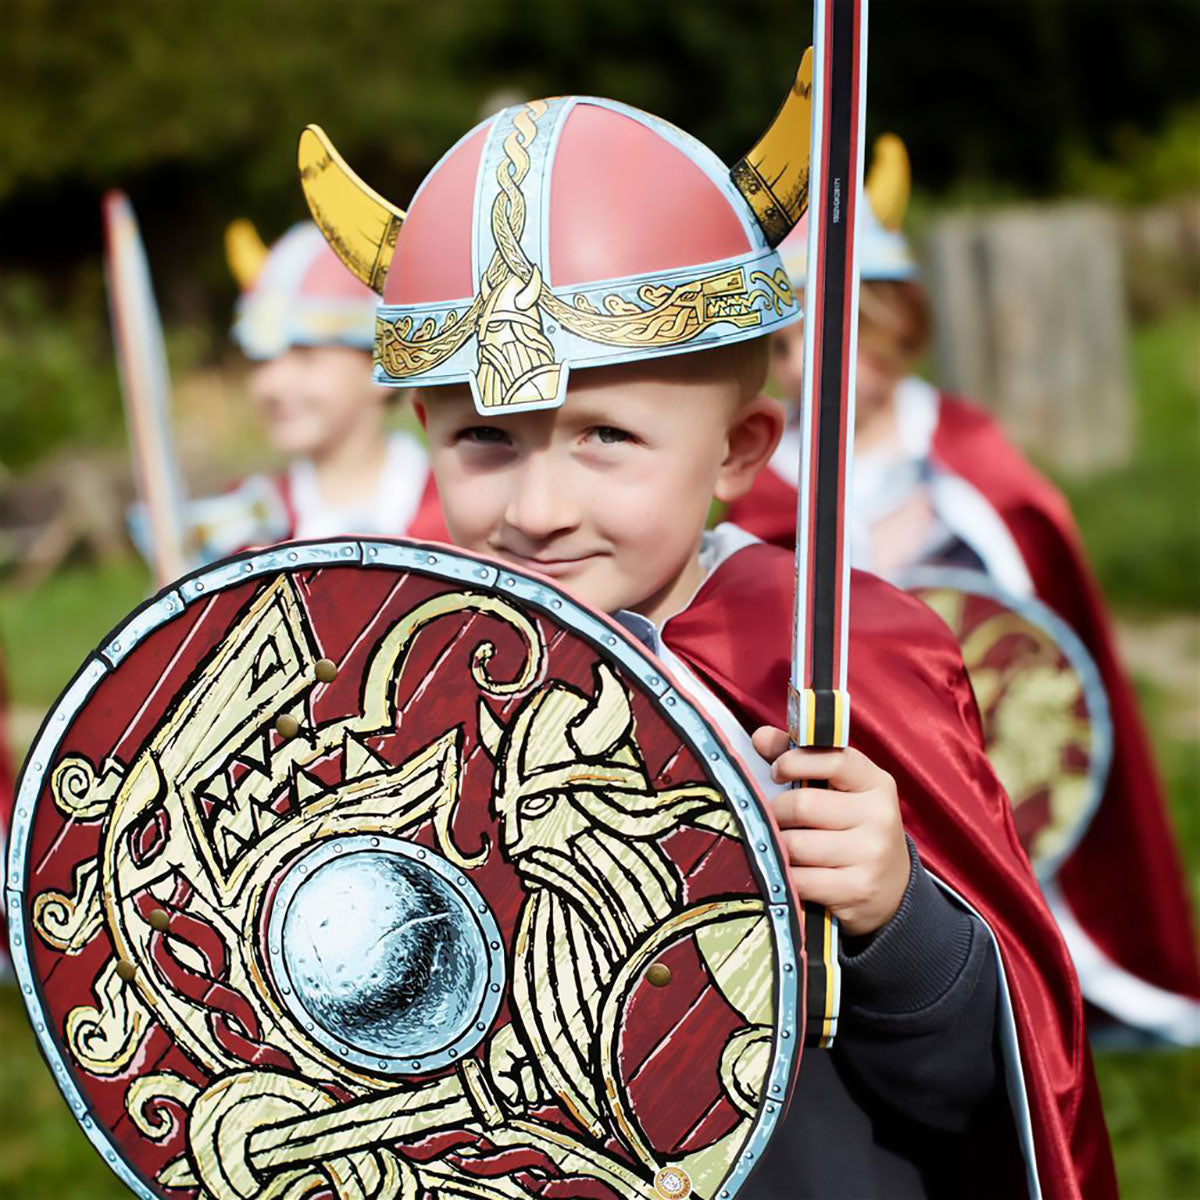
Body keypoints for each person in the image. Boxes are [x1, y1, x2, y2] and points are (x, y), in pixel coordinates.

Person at [301, 86, 1114, 1197]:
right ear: (423, 435)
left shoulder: (838, 661)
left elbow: (981, 1093)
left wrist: (893, 918)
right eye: (486, 439)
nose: (537, 505)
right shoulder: (380, 686)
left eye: (605, 437)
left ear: (741, 450)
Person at [725, 135, 1200, 1045]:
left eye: (831, 336)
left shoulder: (973, 466)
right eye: (781, 346)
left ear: (893, 323)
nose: (804, 368)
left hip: (974, 744)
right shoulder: (761, 484)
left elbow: (1038, 651)